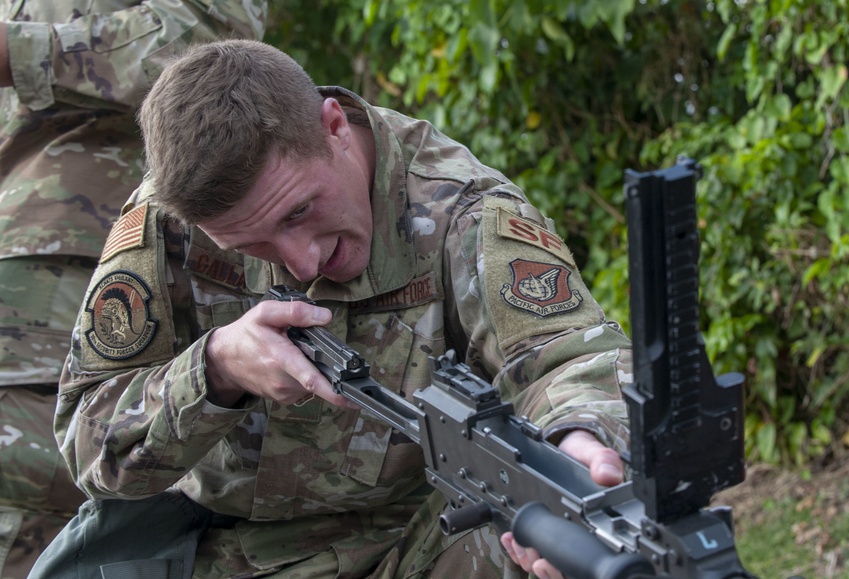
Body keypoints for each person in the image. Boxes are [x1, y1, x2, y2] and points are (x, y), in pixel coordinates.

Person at [36, 39, 633, 579]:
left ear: (333, 126)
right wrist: (214, 370)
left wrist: (578, 441)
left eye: (298, 211)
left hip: (419, 543)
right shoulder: (167, 223)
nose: (302, 262)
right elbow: (88, 443)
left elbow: (568, 359)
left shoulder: (464, 211)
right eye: (251, 246)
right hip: (221, 551)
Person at [0, 3, 267, 576]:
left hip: (97, 256)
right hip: (2, 251)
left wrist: (20, 51)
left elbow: (218, 46)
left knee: (23, 485)